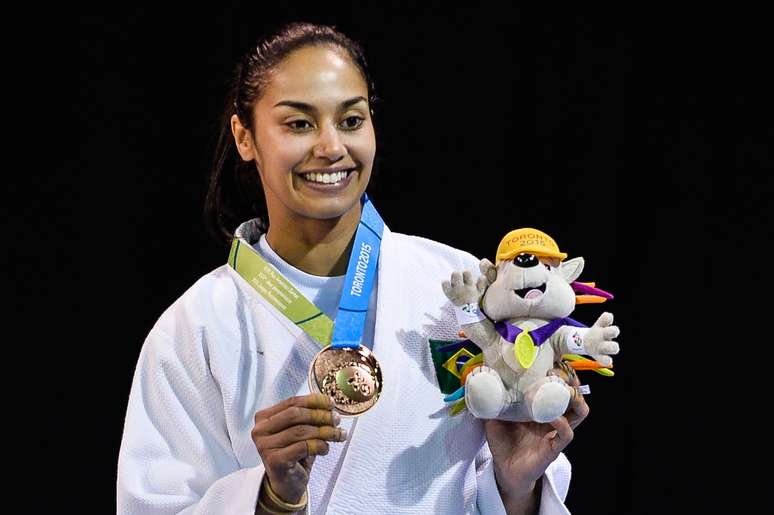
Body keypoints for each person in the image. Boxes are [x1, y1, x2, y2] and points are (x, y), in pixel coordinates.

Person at [117, 21, 589, 515]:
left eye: (350, 120)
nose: (330, 148)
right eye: (299, 124)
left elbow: (501, 493)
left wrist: (515, 487)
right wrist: (270, 498)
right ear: (245, 137)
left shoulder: (461, 287)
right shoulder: (196, 327)